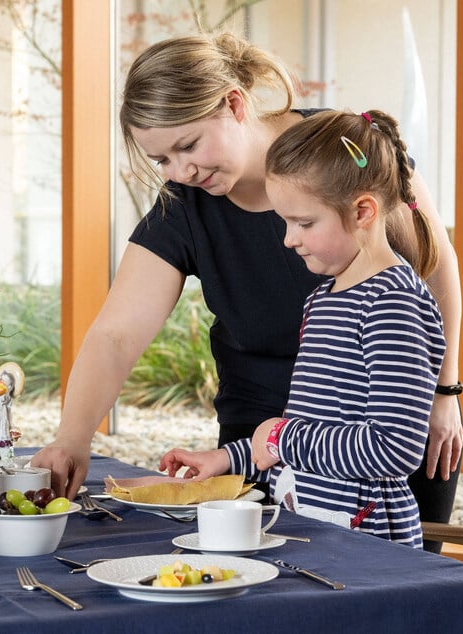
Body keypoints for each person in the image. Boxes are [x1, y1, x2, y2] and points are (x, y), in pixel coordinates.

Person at [31, 32, 463, 550]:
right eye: (162, 159)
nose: (182, 171)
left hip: (376, 434)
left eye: (188, 145)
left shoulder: (340, 148)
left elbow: (434, 266)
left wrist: (444, 393)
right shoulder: (185, 205)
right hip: (260, 447)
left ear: (235, 104)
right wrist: (72, 438)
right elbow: (117, 334)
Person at [158, 109, 445, 547]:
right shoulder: (323, 298)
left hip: (366, 553)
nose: (289, 239)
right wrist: (227, 457)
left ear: (363, 210)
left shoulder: (391, 302)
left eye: (304, 223)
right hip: (313, 533)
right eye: (285, 222)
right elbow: (307, 430)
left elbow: (394, 447)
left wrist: (281, 436)